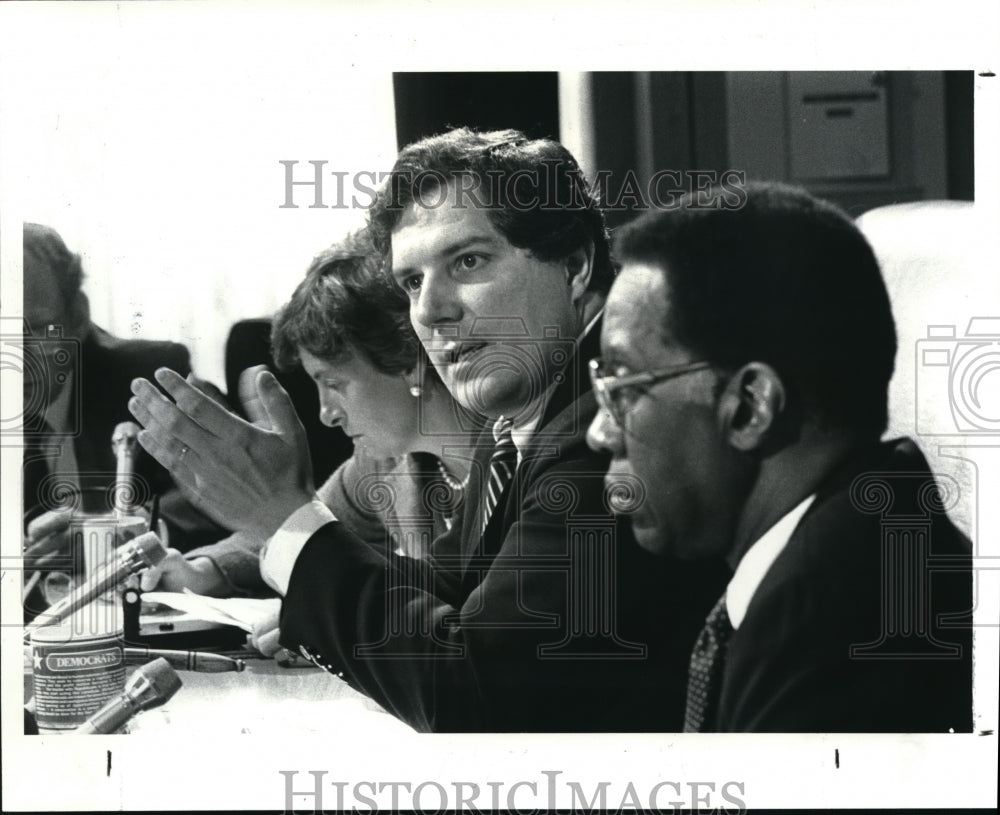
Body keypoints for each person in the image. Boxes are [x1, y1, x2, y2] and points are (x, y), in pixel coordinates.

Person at [129, 128, 725, 732]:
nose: (430, 310)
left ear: (573, 267)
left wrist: (284, 523)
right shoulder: (515, 422)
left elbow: (476, 695)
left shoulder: (603, 424)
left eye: (468, 261)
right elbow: (454, 591)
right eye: (412, 281)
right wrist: (319, 605)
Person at [586, 182, 973, 732]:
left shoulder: (825, 631)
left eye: (623, 386)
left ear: (749, 408)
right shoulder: (868, 542)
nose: (600, 433)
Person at [143, 229, 479, 597]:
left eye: (334, 384)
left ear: (407, 361)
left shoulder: (518, 460)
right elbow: (305, 524)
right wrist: (205, 571)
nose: (326, 414)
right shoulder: (381, 464)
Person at [21, 224, 226, 618]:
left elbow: (233, 488)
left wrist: (122, 534)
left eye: (34, 329)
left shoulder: (151, 377)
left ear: (78, 315)